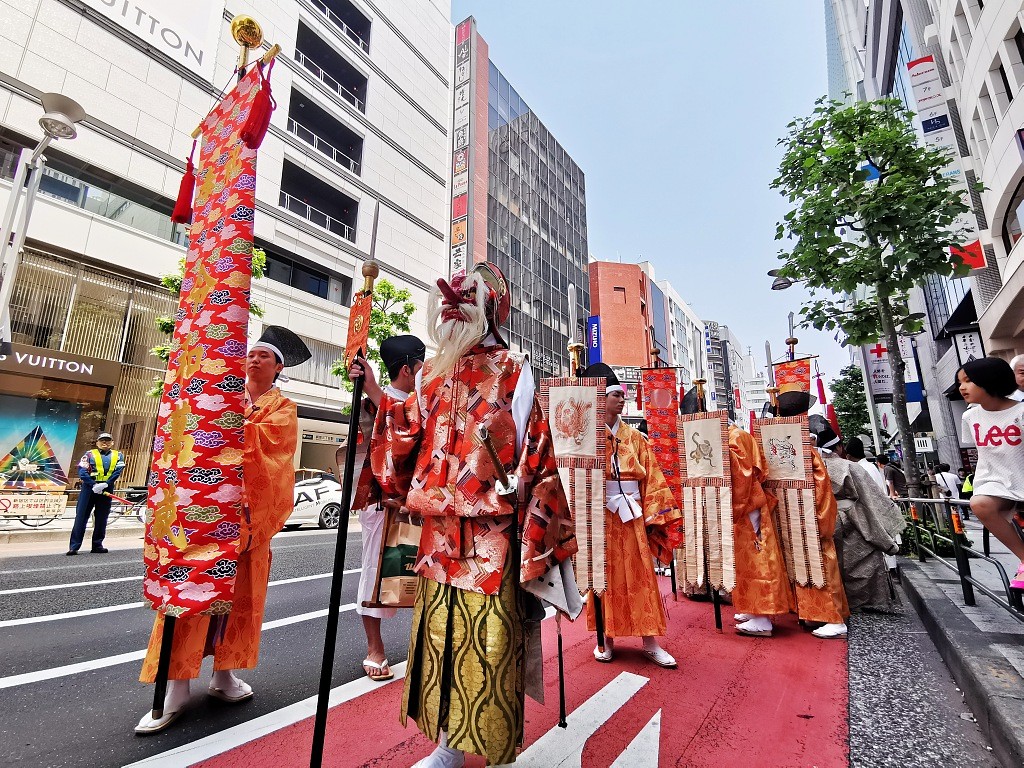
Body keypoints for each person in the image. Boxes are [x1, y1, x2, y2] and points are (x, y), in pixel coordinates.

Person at [371, 264, 578, 768]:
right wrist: (380, 404)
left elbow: (537, 451)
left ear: (486, 310)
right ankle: (447, 745)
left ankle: (478, 749)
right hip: (438, 537)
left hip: (493, 538)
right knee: (439, 643)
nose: (451, 306)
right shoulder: (430, 375)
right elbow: (403, 437)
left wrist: (536, 533)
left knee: (488, 643)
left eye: (464, 298)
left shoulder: (515, 369)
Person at [135, 326, 309, 734]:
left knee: (238, 603)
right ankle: (177, 683)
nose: (253, 359)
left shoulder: (282, 407)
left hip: (246, 522)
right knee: (191, 595)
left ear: (278, 367)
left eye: (263, 356)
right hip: (202, 518)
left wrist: (227, 424)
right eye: (250, 353)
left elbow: (275, 455)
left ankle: (224, 676)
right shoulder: (221, 393)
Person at [583, 363, 682, 666]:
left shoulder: (636, 438)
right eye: (615, 394)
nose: (621, 399)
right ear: (600, 398)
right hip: (602, 514)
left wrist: (654, 515)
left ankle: (650, 640)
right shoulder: (586, 437)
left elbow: (652, 477)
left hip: (633, 513)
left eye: (622, 394)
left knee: (642, 576)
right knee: (605, 577)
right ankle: (606, 638)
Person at [348, 334, 426, 682]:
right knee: (377, 573)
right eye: (422, 365)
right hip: (385, 503)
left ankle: (425, 642)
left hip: (422, 503)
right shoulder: (373, 406)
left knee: (423, 573)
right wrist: (371, 392)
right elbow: (372, 452)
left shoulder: (418, 401)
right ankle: (374, 648)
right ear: (408, 370)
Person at [770, 391, 850, 639]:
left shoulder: (806, 449)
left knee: (819, 564)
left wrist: (816, 517)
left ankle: (833, 619)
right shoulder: (800, 447)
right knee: (802, 565)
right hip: (796, 515)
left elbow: (820, 489)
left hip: (809, 515)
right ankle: (812, 614)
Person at [811, 417, 903, 613]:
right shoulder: (849, 467)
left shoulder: (813, 466)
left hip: (824, 518)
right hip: (853, 518)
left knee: (832, 563)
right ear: (838, 448)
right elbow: (871, 496)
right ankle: (869, 601)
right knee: (863, 560)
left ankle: (836, 600)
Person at [957, 357, 1024, 588]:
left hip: (1021, 476)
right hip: (993, 482)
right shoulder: (969, 416)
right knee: (980, 504)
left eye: (968, 381)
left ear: (989, 380)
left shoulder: (1022, 411)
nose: (962, 387)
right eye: (960, 382)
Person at [728, 423, 793, 637]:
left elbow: (743, 473)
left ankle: (762, 617)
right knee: (745, 558)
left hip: (746, 503)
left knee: (756, 557)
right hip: (746, 503)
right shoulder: (737, 435)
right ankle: (753, 608)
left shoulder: (734, 437)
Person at [67, 432, 125, 555]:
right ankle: (74, 546)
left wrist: (106, 484)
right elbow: (82, 471)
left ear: (112, 443)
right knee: (81, 517)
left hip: (106, 488)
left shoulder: (118, 455)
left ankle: (97, 545)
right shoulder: (89, 454)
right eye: (102, 440)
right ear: (97, 442)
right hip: (89, 489)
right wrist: (93, 484)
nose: (105, 443)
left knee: (102, 518)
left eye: (108, 441)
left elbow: (117, 471)